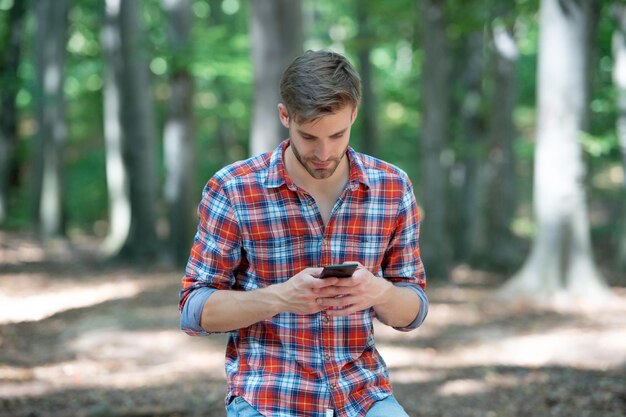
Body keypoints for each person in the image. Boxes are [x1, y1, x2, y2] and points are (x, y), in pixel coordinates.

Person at [179, 50, 428, 417]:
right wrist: (280, 298)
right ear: (285, 116)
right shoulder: (233, 188)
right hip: (269, 396)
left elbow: (414, 310)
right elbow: (194, 310)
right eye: (309, 136)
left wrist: (379, 291)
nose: (324, 152)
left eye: (337, 134)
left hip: (362, 394)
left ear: (354, 115)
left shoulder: (392, 187)